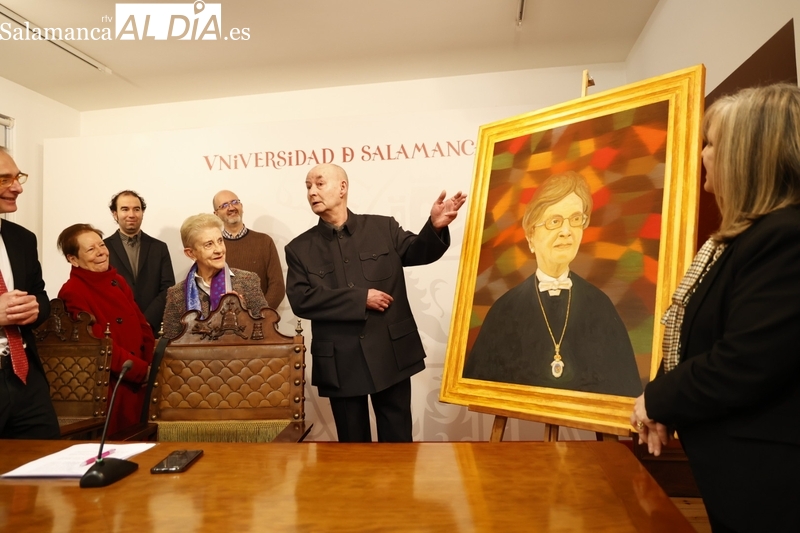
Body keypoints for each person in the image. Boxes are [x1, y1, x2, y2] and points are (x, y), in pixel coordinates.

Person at [631, 84, 800, 532]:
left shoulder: (785, 237)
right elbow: (686, 329)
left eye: (710, 144)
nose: (702, 154)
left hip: (773, 484)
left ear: (745, 155)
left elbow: (745, 362)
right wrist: (662, 399)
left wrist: (656, 399)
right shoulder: (741, 238)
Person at [285, 163, 466, 442]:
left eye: (320, 183)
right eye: (308, 186)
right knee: (353, 449)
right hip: (340, 362)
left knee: (398, 443)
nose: (312, 192)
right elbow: (301, 300)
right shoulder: (299, 248)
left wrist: (434, 227)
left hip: (390, 352)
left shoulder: (383, 227)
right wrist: (359, 299)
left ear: (342, 188)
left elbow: (418, 251)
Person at [463, 171, 642, 397]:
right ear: (530, 237)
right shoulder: (504, 310)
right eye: (554, 221)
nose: (566, 231)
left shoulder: (601, 307)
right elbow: (481, 384)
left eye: (576, 219)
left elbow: (624, 390)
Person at [57, 223, 155, 435]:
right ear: (73, 259)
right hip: (115, 384)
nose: (101, 252)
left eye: (101, 245)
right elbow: (99, 345)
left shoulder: (117, 280)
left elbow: (142, 326)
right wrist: (139, 370)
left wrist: (151, 366)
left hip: (142, 380)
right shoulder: (72, 292)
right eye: (91, 249)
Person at [0, 148, 60, 439]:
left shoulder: (22, 239)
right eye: (4, 179)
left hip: (25, 378)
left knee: (42, 471)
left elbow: (41, 296)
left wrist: (36, 309)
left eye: (17, 177)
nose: (17, 187)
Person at [162, 214, 268, 339]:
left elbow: (268, 330)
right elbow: (169, 344)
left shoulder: (248, 281)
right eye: (209, 244)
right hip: (196, 358)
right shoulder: (176, 294)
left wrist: (244, 313)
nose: (219, 250)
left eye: (220, 241)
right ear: (190, 253)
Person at [104, 190, 175, 336]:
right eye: (125, 209)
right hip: (116, 329)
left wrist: (146, 321)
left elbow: (168, 289)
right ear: (115, 214)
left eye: (137, 209)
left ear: (142, 213)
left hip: (153, 329)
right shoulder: (103, 248)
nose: (131, 214)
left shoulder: (159, 247)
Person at [213, 190, 285, 308]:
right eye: (224, 205)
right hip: (223, 322)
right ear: (216, 214)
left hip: (261, 322)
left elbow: (277, 286)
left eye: (234, 202)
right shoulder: (213, 247)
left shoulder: (264, 241)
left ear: (241, 206)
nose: (231, 208)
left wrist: (258, 318)